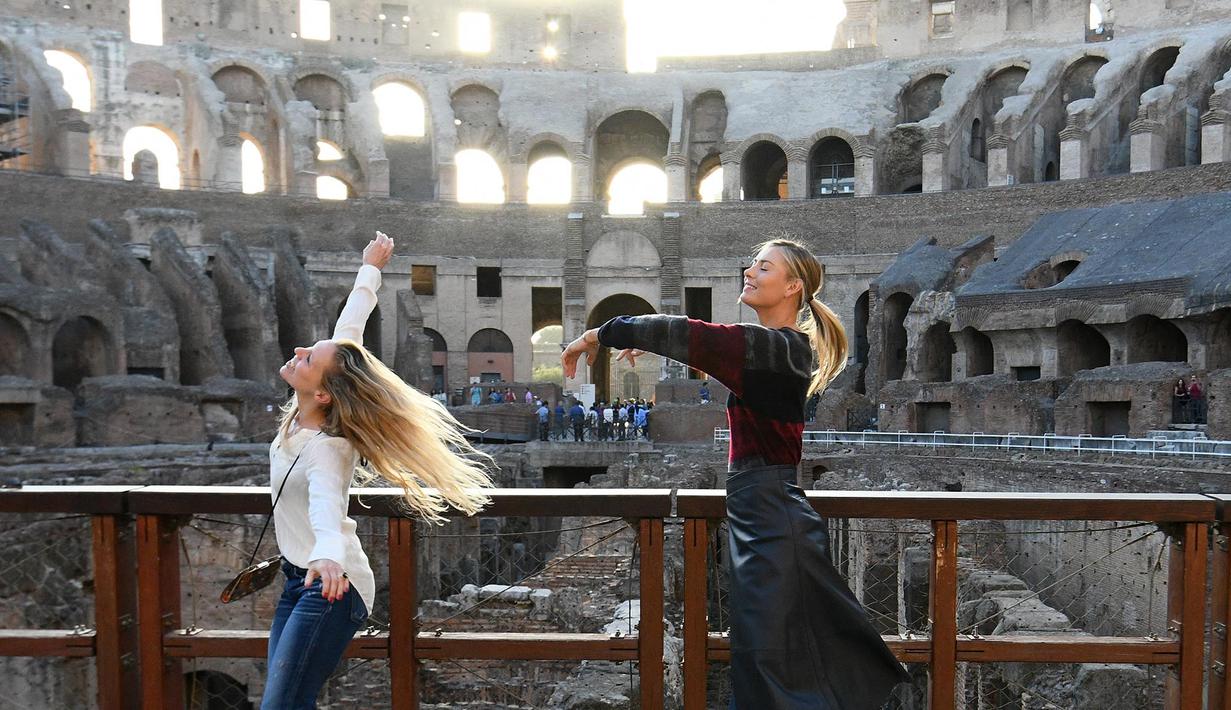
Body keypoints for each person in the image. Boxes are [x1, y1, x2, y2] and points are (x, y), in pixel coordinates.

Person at [562, 236, 908, 709]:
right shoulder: (779, 350)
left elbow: (689, 335)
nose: (750, 272)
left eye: (764, 268)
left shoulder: (773, 349)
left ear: (792, 287)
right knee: (771, 661)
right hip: (764, 516)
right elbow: (694, 344)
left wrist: (597, 335)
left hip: (770, 518)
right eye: (752, 264)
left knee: (772, 665)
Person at [265, 231, 493, 708]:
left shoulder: (329, 446)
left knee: (280, 706)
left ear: (323, 392)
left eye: (310, 356)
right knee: (289, 702)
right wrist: (370, 269)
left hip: (333, 583)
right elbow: (349, 330)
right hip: (299, 578)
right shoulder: (312, 404)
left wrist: (327, 556)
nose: (301, 350)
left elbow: (329, 503)